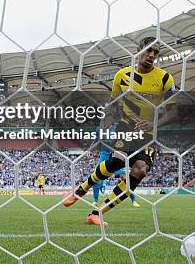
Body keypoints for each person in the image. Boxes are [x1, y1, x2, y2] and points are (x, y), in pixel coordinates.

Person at [63, 38, 176, 226]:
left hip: (148, 133)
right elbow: (113, 105)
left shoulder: (164, 78)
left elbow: (174, 111)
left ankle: (96, 214)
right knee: (117, 161)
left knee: (141, 170)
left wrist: (154, 124)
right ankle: (81, 189)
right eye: (149, 50)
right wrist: (106, 122)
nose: (151, 55)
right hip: (126, 127)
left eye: (156, 53)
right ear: (139, 50)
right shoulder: (122, 76)